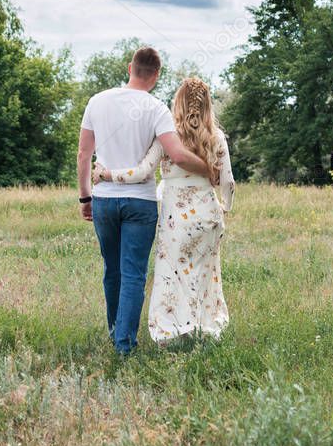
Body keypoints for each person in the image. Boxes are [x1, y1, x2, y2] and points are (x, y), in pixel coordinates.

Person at [77, 48, 211, 354]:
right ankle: (124, 345)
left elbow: (84, 154)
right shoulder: (156, 108)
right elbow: (177, 154)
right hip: (139, 203)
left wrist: (85, 196)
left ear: (130, 68)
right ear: (156, 75)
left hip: (104, 200)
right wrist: (209, 169)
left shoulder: (97, 101)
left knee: (112, 270)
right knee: (133, 273)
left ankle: (115, 333)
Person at [93, 77, 235, 344]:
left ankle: (173, 332)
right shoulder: (216, 138)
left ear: (178, 104)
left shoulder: (168, 139)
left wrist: (107, 174)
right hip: (208, 214)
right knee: (205, 273)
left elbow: (142, 171)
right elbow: (228, 182)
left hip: (176, 220)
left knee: (173, 274)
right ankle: (204, 329)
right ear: (207, 106)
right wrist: (225, 207)